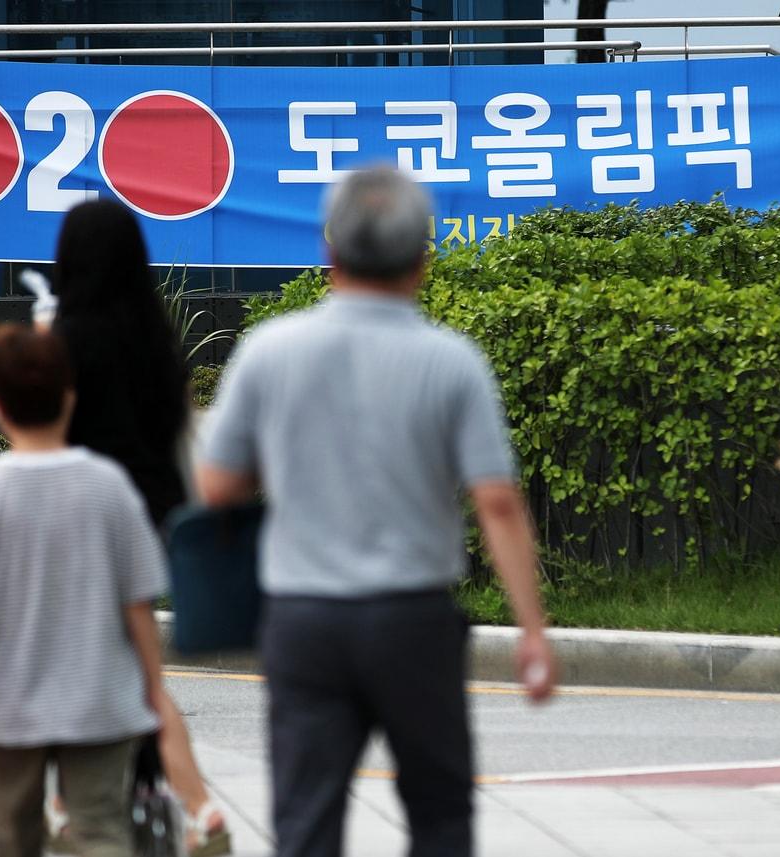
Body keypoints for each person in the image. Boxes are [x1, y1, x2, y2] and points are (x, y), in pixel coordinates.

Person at [197, 166, 556, 857]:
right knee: (441, 813)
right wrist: (532, 629)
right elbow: (498, 501)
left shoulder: (269, 351)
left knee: (306, 818)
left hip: (303, 619)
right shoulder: (451, 361)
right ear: (423, 261)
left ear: (331, 256)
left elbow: (216, 486)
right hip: (412, 621)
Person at [0, 323, 167, 857]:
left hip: (5, 703)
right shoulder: (111, 487)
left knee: (13, 840)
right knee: (103, 831)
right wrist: (153, 684)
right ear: (69, 396)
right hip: (100, 699)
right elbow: (139, 605)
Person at [46, 199, 230, 855]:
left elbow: (42, 438)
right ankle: (183, 810)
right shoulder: (157, 340)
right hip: (148, 527)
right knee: (134, 668)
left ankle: (90, 810)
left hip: (79, 526)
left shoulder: (64, 343)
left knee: (86, 672)